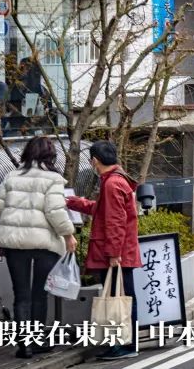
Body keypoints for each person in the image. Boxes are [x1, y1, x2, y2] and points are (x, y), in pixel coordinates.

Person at [0, 137, 77, 359]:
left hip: (14, 243)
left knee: (21, 295)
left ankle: (24, 346)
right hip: (44, 243)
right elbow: (55, 211)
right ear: (50, 156)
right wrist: (68, 235)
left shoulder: (11, 176)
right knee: (39, 294)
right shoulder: (53, 179)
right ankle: (37, 342)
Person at [65, 141, 142, 361]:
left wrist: (113, 254)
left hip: (117, 255)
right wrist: (74, 203)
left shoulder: (111, 184)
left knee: (120, 299)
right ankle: (124, 342)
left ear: (95, 161)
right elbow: (103, 211)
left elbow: (115, 222)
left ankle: (124, 344)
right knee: (123, 298)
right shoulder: (118, 180)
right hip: (122, 252)